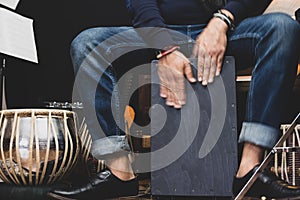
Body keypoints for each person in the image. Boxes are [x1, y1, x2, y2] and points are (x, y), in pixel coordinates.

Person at [48, 0, 300, 199]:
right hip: (159, 31)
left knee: (283, 29)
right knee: (87, 44)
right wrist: (164, 47)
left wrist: (222, 21)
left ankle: (250, 169)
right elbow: (139, 2)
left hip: (224, 30)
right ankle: (120, 172)